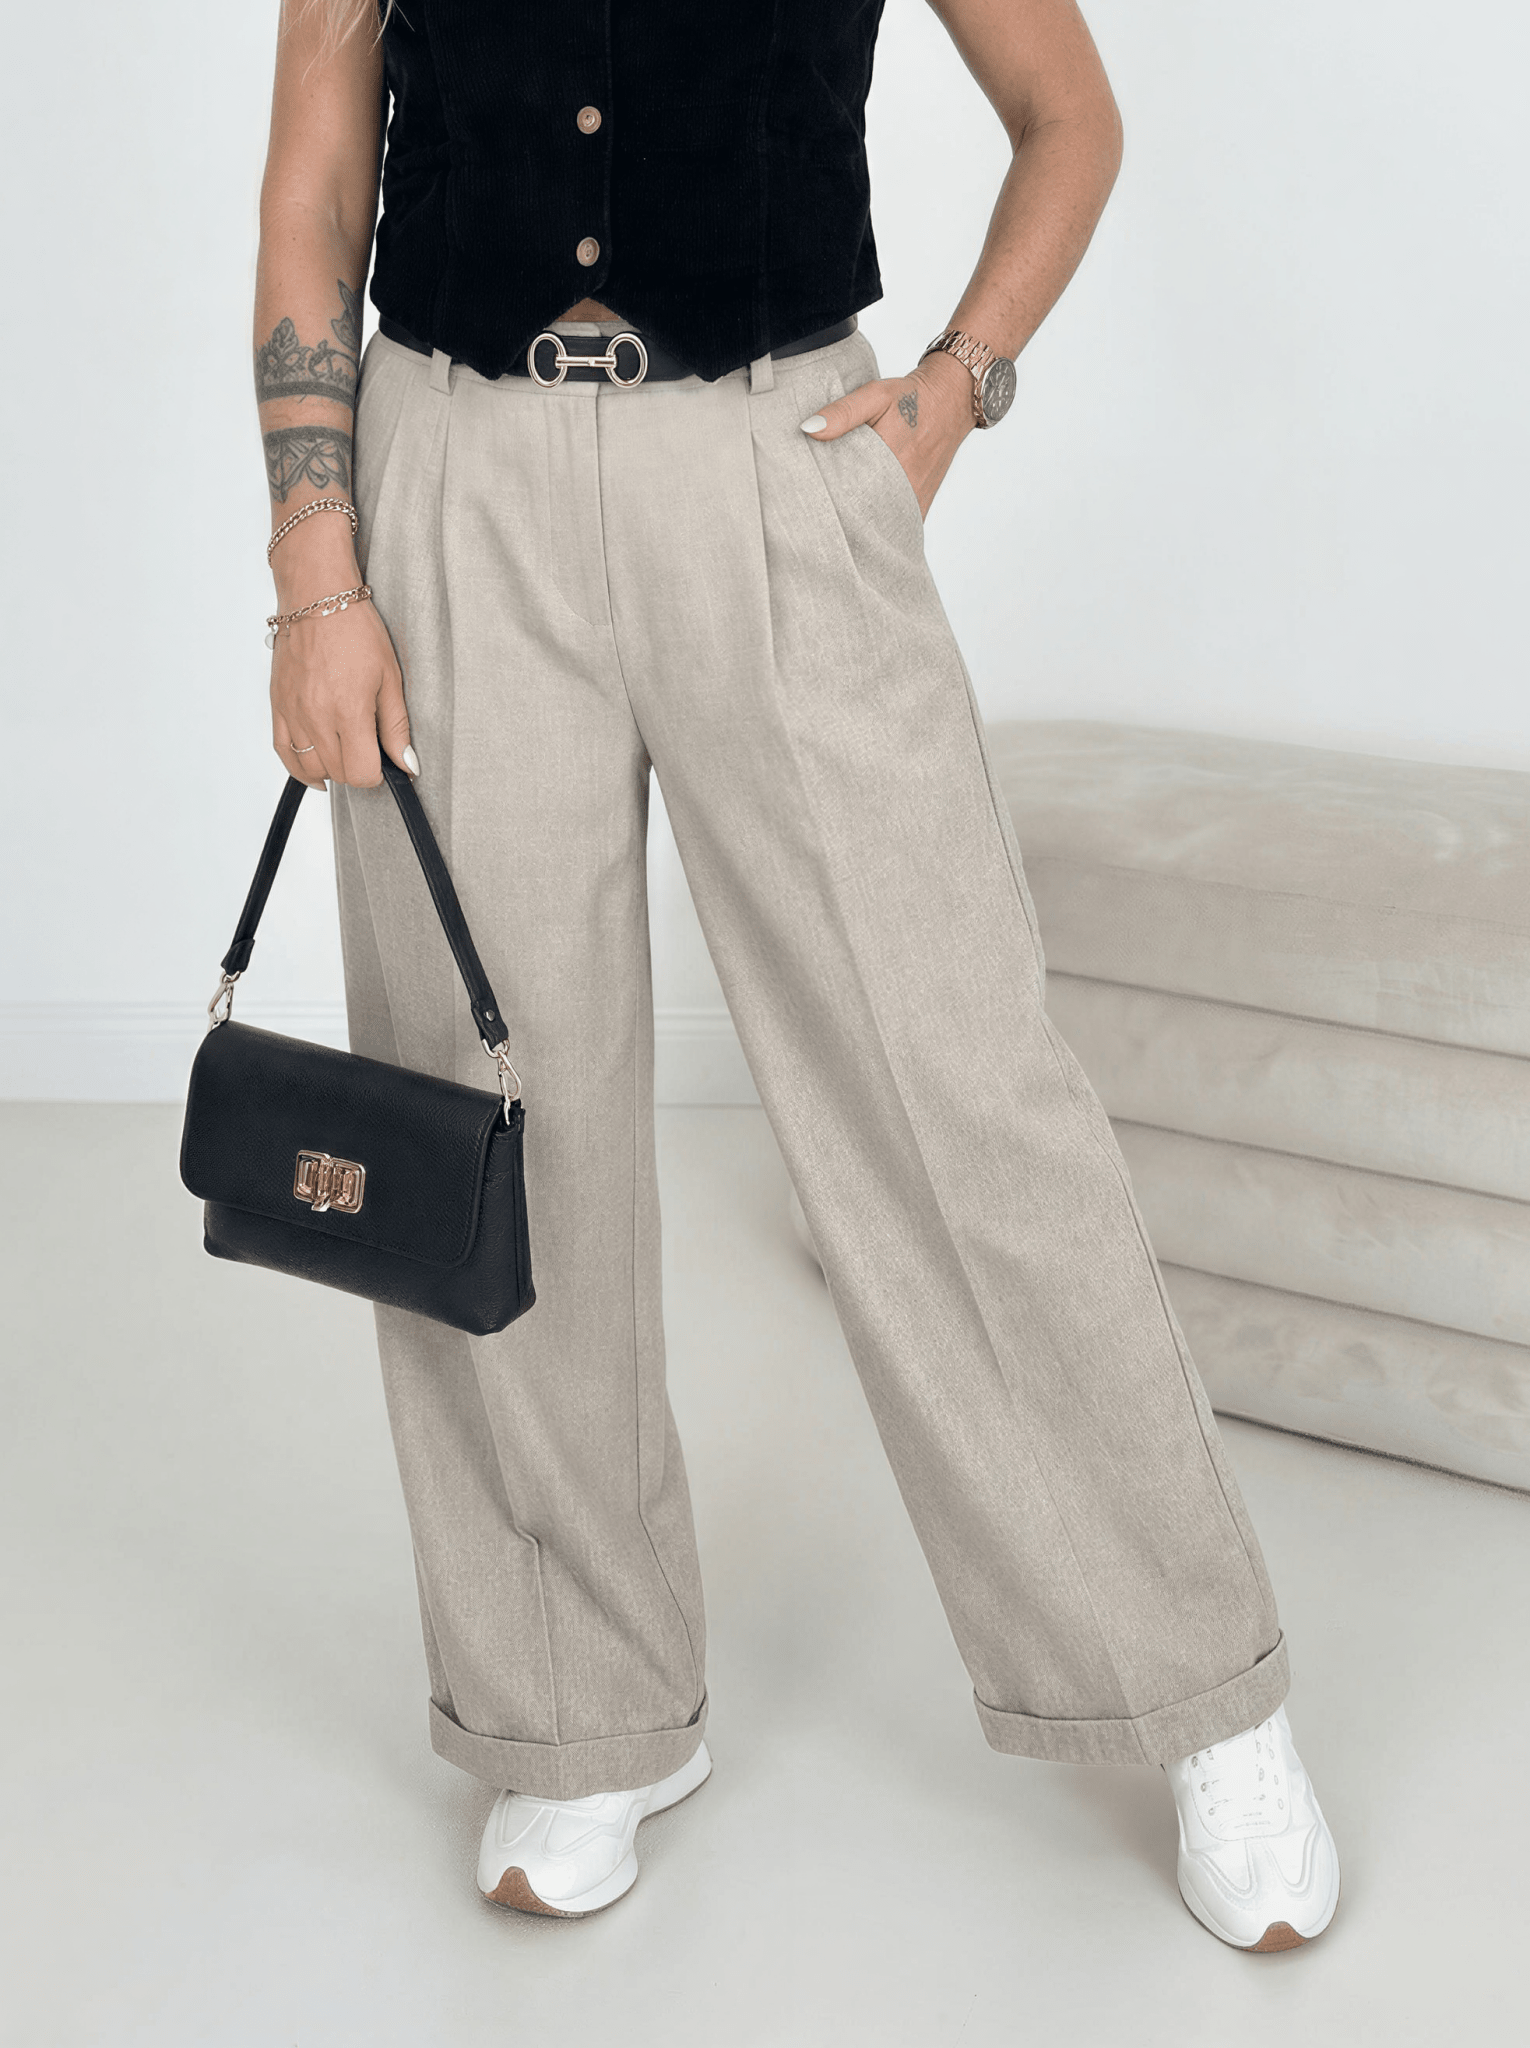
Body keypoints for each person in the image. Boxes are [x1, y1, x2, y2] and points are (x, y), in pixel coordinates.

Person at [253, 0, 1341, 1950]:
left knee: (958, 1087)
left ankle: (1198, 1689)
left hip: (778, 460)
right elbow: (320, 168)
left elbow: (1065, 113)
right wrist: (316, 570)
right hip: (450, 484)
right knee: (491, 1116)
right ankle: (573, 1707)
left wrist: (956, 388)